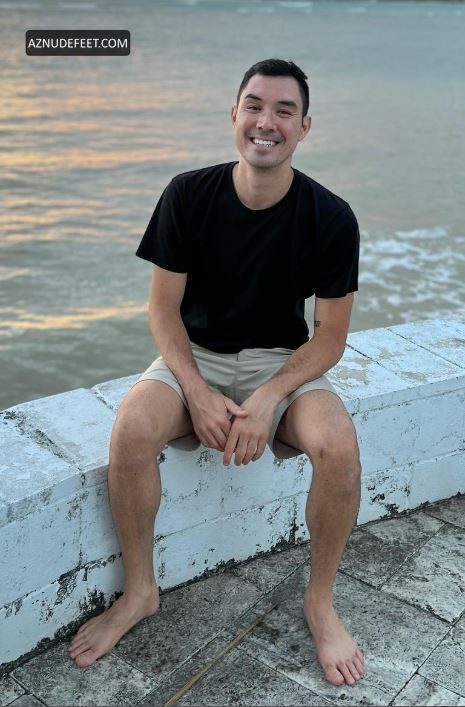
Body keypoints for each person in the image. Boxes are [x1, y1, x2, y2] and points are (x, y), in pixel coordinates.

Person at [69, 58, 364, 687]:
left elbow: (330, 338)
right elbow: (162, 312)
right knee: (131, 431)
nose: (266, 121)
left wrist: (270, 397)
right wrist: (197, 392)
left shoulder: (331, 216)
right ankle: (140, 591)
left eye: (284, 110)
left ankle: (320, 602)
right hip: (194, 354)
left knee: (338, 446)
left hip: (281, 363)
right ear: (234, 114)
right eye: (254, 105)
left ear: (304, 126)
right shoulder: (188, 194)